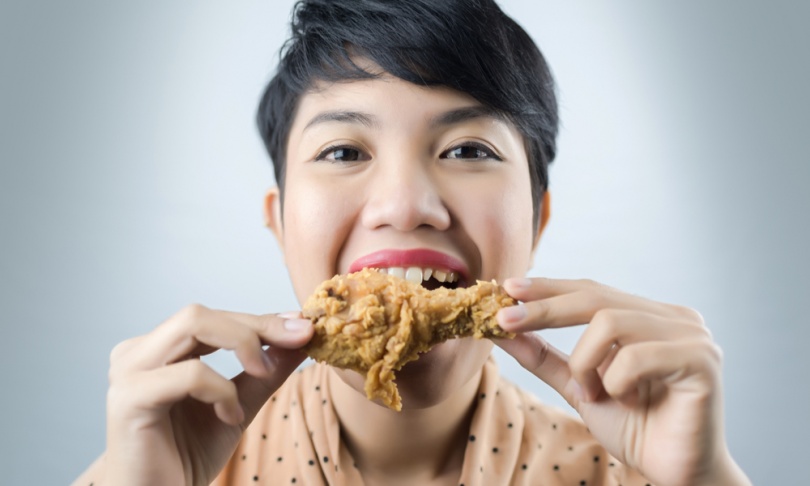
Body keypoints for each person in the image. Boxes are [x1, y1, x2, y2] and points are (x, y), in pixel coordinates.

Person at [73, 1, 751, 485]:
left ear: (538, 221)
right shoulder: (167, 465)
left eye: (466, 148)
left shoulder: (631, 472)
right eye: (342, 150)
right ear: (279, 224)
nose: (406, 205)